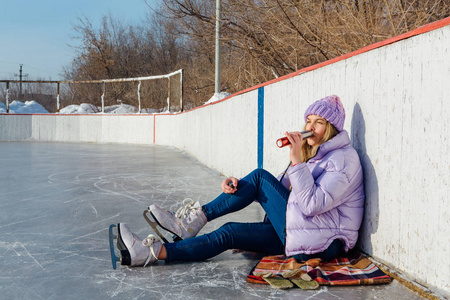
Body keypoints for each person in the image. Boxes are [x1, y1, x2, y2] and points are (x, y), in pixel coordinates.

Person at [114, 95, 364, 267]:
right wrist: (238, 186)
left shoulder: (343, 159)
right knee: (230, 231)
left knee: (259, 176)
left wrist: (296, 162)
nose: (310, 127)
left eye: (318, 122)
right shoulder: (317, 155)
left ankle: (192, 222)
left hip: (320, 243)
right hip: (302, 233)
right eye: (308, 120)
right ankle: (150, 253)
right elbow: (286, 193)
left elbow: (310, 205)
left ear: (331, 128)